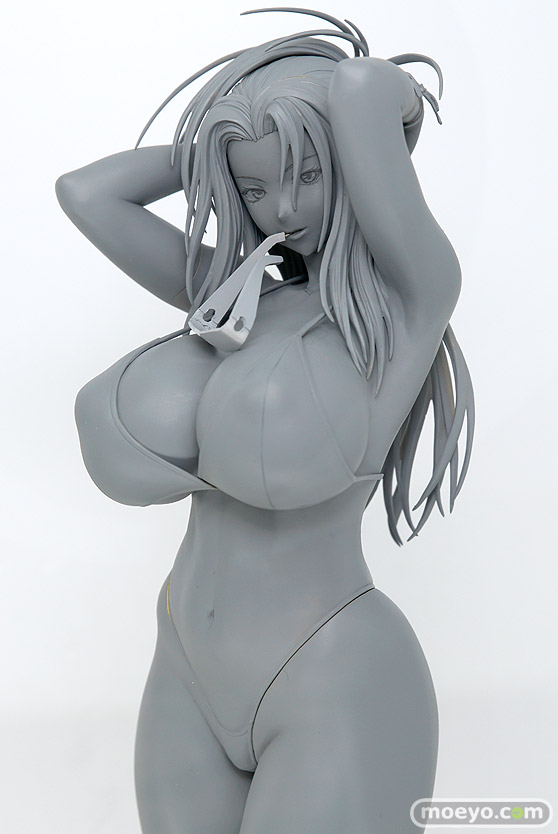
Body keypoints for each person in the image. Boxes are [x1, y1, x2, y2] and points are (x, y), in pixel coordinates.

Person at [56, 8, 474, 833]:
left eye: (308, 174)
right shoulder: (232, 296)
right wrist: (219, 147)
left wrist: (360, 117)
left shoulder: (405, 306)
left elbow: (364, 86)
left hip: (331, 671)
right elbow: (86, 193)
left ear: (352, 159)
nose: (283, 207)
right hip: (184, 665)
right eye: (255, 189)